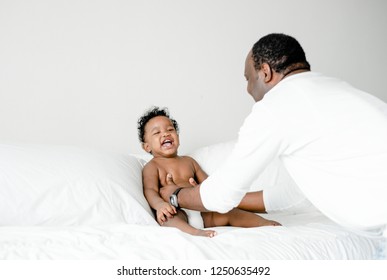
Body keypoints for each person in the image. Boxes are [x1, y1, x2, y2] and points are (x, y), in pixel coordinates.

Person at [159, 33, 387, 236]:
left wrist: (176, 195)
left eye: (248, 78)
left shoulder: (276, 107)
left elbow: (220, 196)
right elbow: (297, 193)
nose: (248, 89)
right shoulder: (337, 89)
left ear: (265, 72)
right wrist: (237, 200)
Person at [137, 106, 280, 238]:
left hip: (202, 210)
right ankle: (194, 232)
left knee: (230, 213)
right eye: (157, 132)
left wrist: (198, 189)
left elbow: (210, 185)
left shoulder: (189, 161)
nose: (165, 134)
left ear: (178, 137)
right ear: (147, 147)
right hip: (177, 211)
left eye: (170, 129)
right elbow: (150, 190)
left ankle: (263, 223)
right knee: (168, 219)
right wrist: (160, 205)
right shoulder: (152, 166)